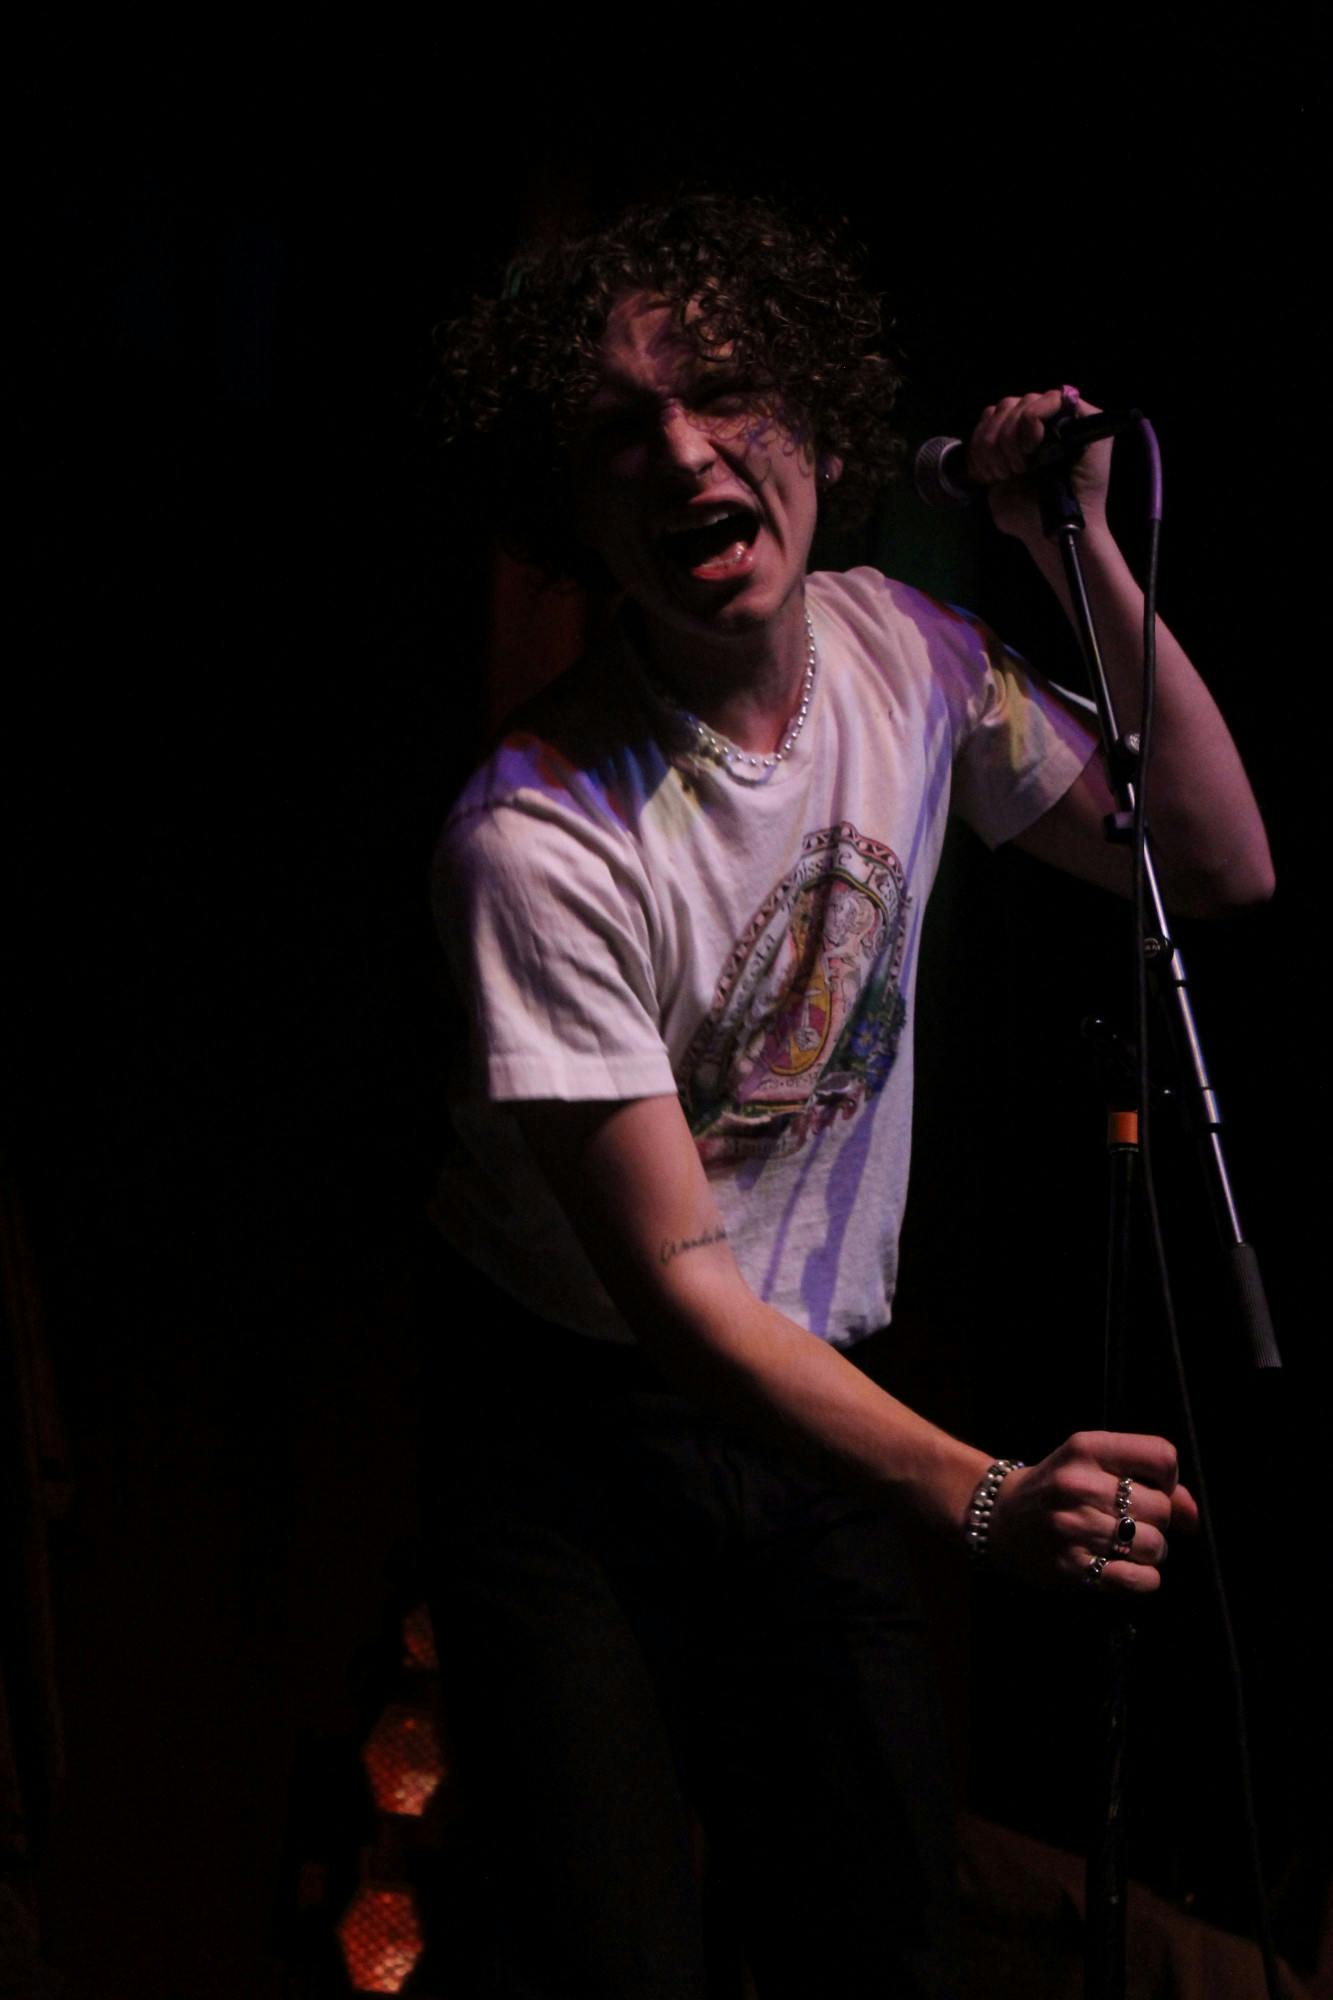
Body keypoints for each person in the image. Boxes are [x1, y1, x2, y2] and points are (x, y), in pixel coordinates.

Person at [423, 192, 1273, 1998]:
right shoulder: (538, 836)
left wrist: (1073, 552)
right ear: (575, 511)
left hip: (811, 1418)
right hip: (579, 1436)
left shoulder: (904, 654)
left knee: (872, 1934)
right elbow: (674, 1286)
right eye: (616, 431)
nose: (679, 448)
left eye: (721, 391)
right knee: (609, 1953)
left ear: (810, 418)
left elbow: (1207, 857)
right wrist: (982, 1498)